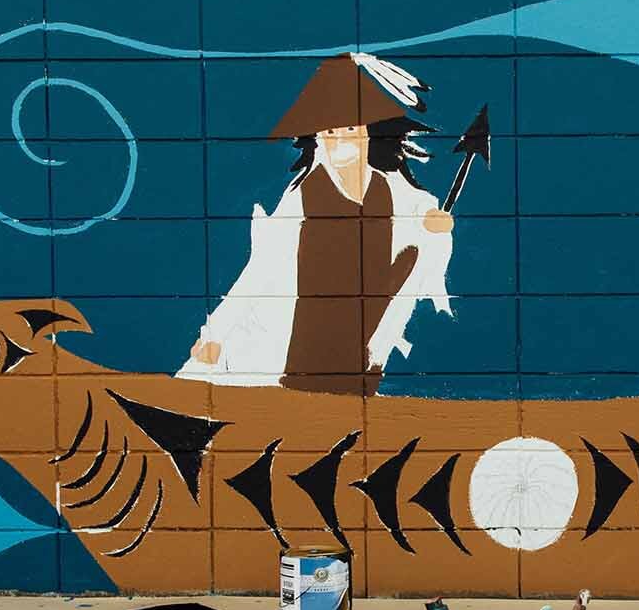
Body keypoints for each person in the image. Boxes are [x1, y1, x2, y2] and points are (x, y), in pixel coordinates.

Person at [183, 52, 454, 393]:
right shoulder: (302, 199)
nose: (340, 138)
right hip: (300, 347)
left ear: (369, 132)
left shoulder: (393, 194)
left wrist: (436, 227)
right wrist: (215, 334)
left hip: (361, 350)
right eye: (329, 130)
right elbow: (260, 270)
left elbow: (425, 221)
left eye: (350, 128)